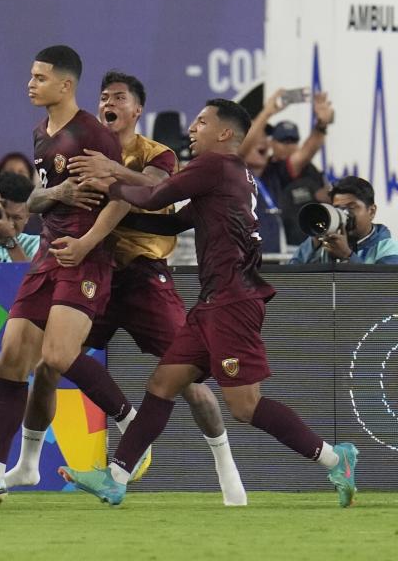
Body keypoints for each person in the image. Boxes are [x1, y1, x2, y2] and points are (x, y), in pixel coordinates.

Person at [62, 99, 358, 509]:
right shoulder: (230, 176)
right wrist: (111, 216)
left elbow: (153, 195)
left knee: (245, 406)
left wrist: (108, 179)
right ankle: (116, 478)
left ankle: (333, 457)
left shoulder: (216, 166)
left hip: (233, 302)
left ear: (224, 134)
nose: (192, 129)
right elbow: (166, 221)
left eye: (201, 122)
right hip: (213, 303)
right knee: (162, 384)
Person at [7, 70, 247, 505]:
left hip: (142, 276)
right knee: (49, 362)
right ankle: (28, 462)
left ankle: (227, 469)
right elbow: (35, 201)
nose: (107, 103)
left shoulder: (160, 154)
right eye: (103, 97)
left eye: (118, 97)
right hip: (89, 271)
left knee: (189, 377)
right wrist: (59, 191)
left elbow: (160, 188)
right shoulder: (77, 145)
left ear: (138, 109)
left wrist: (110, 171)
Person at [0, 45, 134, 509]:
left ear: (66, 85)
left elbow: (122, 197)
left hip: (84, 259)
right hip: (47, 257)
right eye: (30, 76)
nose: (30, 84)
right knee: (9, 362)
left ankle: (131, 421)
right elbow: (39, 202)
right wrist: (57, 192)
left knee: (58, 356)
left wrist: (86, 244)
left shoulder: (92, 133)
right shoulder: (41, 133)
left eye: (40, 78)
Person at [238, 89, 334, 246]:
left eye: (265, 136)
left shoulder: (275, 171)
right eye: (256, 137)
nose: (263, 141)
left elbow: (305, 153)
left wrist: (321, 125)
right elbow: (239, 151)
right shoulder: (232, 173)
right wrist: (267, 112)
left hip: (275, 257)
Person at [290, 176, 398, 265]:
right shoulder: (324, 243)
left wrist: (347, 256)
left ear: (371, 211)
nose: (344, 213)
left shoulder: (388, 249)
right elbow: (291, 279)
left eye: (351, 207)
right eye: (338, 208)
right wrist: (313, 245)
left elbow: (384, 288)